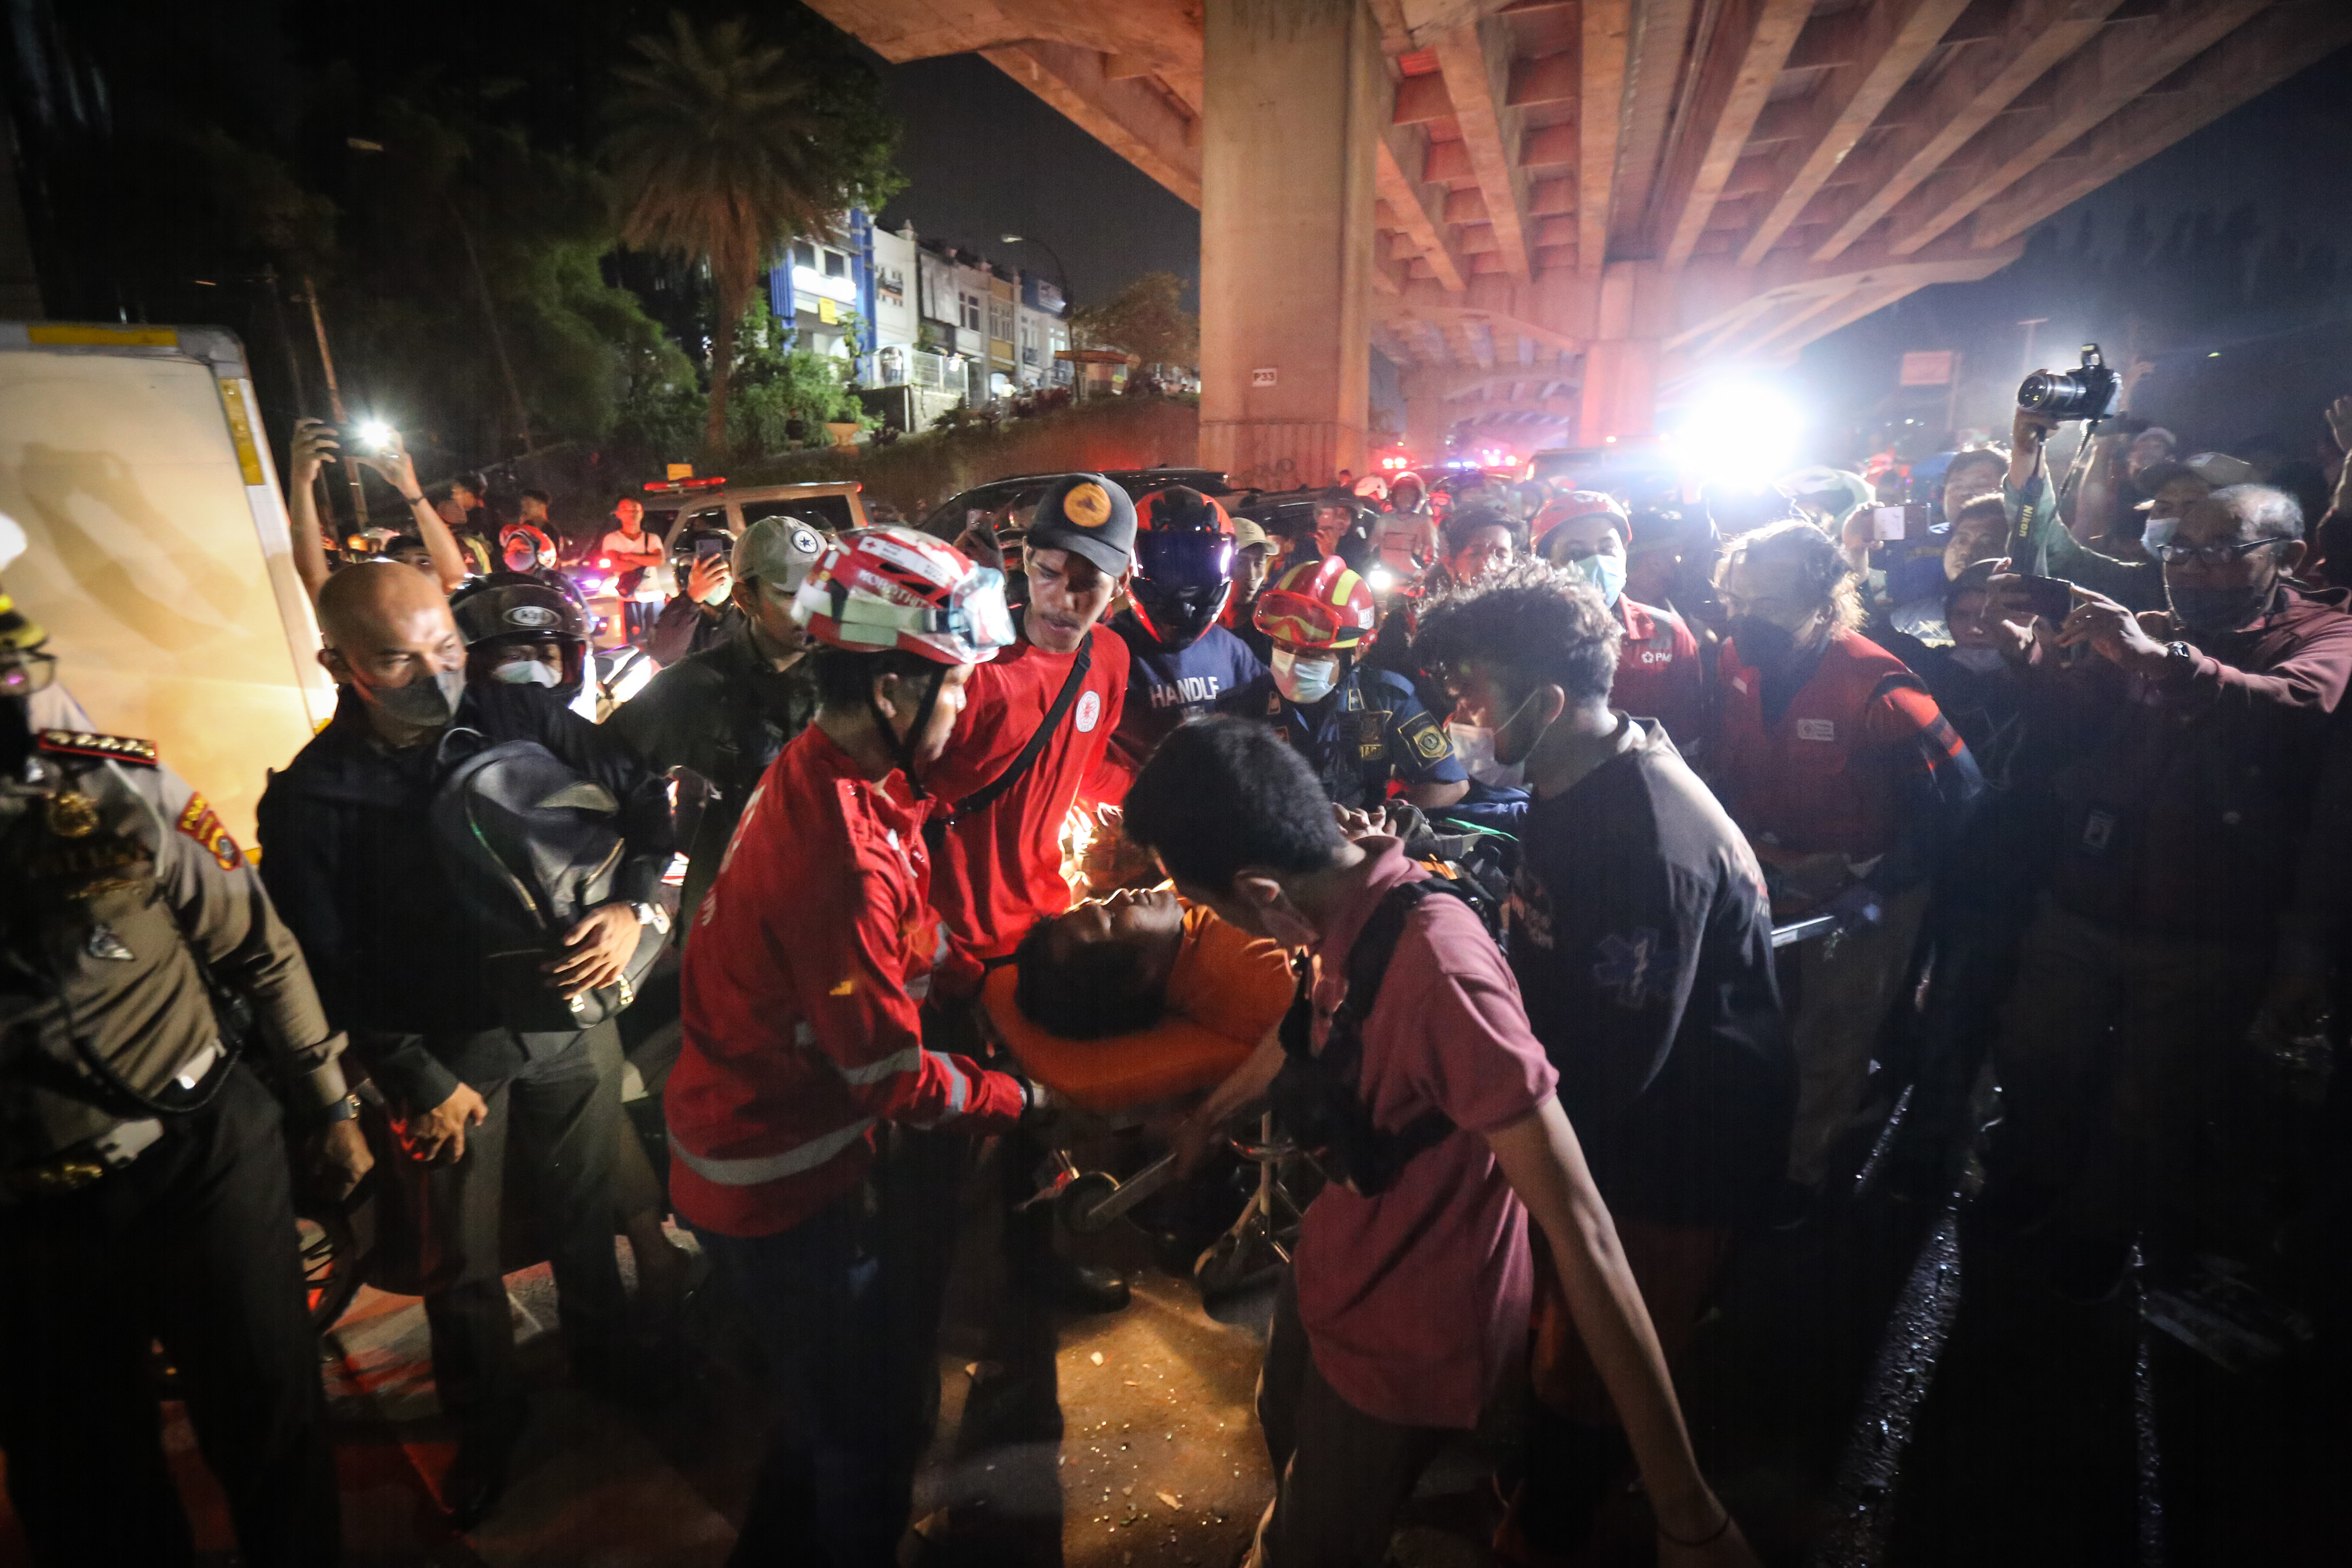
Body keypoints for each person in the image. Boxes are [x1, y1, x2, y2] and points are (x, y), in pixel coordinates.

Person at [1121, 717, 1758, 1568]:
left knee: (1313, 1540)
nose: (1216, 927)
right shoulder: (1341, 896)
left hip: (1409, 1326)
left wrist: (1687, 1508)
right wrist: (1213, 1114)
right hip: (1340, 1262)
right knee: (1289, 1437)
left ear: (1261, 888)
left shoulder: (1444, 977)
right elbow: (1313, 1024)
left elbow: (1584, 1231)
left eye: (1208, 905)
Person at [256, 562, 673, 1526]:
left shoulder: (519, 717)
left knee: (583, 1214)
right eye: (399, 661)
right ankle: (487, 1423)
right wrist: (413, 1074)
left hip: (573, 1023)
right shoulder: (316, 800)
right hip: (446, 1058)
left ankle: (611, 1361)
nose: (437, 678)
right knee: (460, 1259)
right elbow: (324, 964)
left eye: (446, 647)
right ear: (338, 662)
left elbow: (647, 801)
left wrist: (630, 903)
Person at [664, 527, 1034, 1567]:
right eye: (953, 688)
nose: (963, 710)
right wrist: (1021, 1101)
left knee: (819, 1409)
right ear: (891, 693)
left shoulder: (835, 772)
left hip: (760, 1144)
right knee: (866, 1437)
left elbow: (911, 937)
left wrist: (975, 970)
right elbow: (890, 1077)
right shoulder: (839, 852)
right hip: (777, 1178)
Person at [0, 536, 369, 1568]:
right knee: (81, 1475)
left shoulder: (116, 788)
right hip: (27, 1215)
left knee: (270, 1421)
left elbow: (257, 945)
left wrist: (330, 1106)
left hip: (198, 1152)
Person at [1412, 566, 1791, 1560]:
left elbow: (1616, 1067)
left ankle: (1547, 1528)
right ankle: (1546, 1474)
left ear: (1543, 702)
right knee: (1563, 1338)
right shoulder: (1575, 774)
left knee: (1592, 1361)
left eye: (1472, 697)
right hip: (1620, 1112)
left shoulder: (1642, 838)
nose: (1455, 716)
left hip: (1675, 1152)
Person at [1983, 485, 2352, 1298]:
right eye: (2176, 550)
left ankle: (2101, 1231)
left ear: (2285, 557)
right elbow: (2081, 721)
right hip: (2088, 892)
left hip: (2207, 923)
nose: (2189, 568)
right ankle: (2036, 1179)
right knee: (2040, 1051)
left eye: (2219, 551)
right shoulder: (2159, 620)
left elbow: (2289, 707)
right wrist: (2029, 652)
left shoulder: (2327, 633)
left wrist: (2162, 658)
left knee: (2150, 1098)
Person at [1707, 520, 1981, 1195]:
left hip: (1860, 882)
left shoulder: (1878, 688)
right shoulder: (1734, 662)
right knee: (1759, 1021)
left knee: (1830, 1039)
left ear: (1823, 604)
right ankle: (1752, 1143)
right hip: (1769, 872)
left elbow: (1959, 795)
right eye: (1739, 603)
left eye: (1768, 606)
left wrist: (1880, 887)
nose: (1748, 621)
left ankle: (1799, 1181)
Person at [610, 514, 827, 925]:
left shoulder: (853, 677)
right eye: (791, 593)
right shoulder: (694, 687)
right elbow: (611, 777)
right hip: (733, 919)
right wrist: (634, 892)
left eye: (822, 589)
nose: (813, 608)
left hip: (830, 915)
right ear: (745, 597)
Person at [1219, 554, 1468, 812]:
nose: (1292, 663)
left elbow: (1450, 782)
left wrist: (1383, 829)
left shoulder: (1386, 699)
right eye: (1283, 646)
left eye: (1313, 653)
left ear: (1357, 651)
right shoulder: (1246, 707)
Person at [1104, 486, 1266, 782]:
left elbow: (1269, 729)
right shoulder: (1104, 651)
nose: (1184, 582)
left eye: (1199, 563)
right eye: (1169, 561)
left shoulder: (1232, 650)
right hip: (1138, 818)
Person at [1532, 492, 1708, 751]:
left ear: (1624, 554)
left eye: (1607, 549)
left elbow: (1686, 736)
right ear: (1546, 564)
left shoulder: (1667, 633)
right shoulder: (1527, 637)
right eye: (1576, 552)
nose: (1597, 562)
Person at [285, 417, 469, 600]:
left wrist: (410, 487)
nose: (411, 570)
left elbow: (455, 575)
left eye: (424, 562)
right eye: (399, 563)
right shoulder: (369, 623)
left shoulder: (457, 614)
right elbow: (314, 580)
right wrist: (301, 480)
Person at [600, 497, 666, 643]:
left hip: (655, 597)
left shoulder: (652, 538)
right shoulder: (612, 539)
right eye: (625, 509)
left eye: (635, 510)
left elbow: (659, 560)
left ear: (642, 513)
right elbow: (617, 565)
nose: (631, 513)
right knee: (633, 641)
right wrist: (646, 559)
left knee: (658, 640)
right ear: (618, 514)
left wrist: (629, 556)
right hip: (629, 598)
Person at [1224, 514, 1278, 662]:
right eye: (1240, 562)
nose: (1252, 576)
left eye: (1259, 563)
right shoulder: (1200, 626)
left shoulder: (1269, 628)